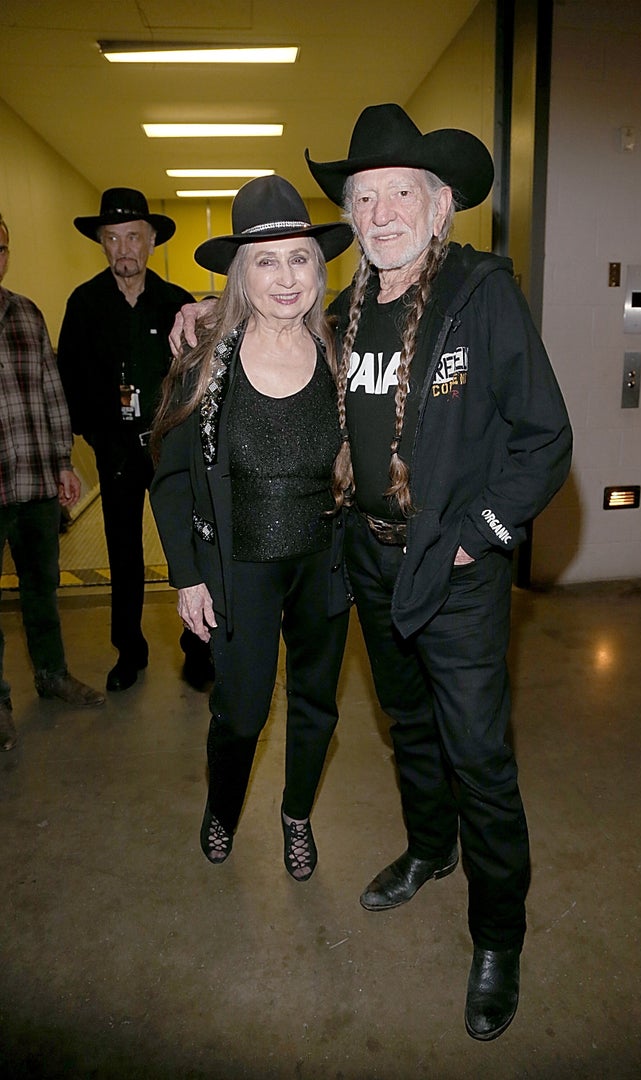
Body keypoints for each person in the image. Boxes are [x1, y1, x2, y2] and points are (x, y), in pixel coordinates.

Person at [302, 103, 572, 1039]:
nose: (378, 213)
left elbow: (544, 437)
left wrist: (479, 534)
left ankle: (500, 934)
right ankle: (428, 850)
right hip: (367, 559)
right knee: (407, 726)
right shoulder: (342, 312)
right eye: (362, 196)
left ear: (438, 201)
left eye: (397, 194)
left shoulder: (481, 294)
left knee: (479, 756)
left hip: (453, 569)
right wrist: (194, 330)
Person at [150, 176, 354, 879]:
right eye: (265, 261)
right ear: (241, 274)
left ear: (318, 269)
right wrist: (185, 577)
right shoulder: (205, 362)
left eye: (299, 258)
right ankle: (222, 805)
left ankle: (296, 813)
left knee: (315, 708)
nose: (286, 277)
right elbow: (172, 478)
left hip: (324, 564)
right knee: (238, 715)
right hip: (238, 570)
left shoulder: (341, 353)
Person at [56, 188, 212, 692]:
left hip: (170, 447)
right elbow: (68, 378)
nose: (124, 248)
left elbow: (203, 375)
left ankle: (198, 647)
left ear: (150, 243)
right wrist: (97, 437)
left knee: (188, 549)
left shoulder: (176, 304)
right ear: (102, 243)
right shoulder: (84, 305)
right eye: (113, 238)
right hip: (117, 450)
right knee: (123, 553)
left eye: (134, 238)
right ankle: (129, 651)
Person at [0, 212, 105, 752]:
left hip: (35, 483)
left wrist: (64, 462)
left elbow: (50, 390)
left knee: (42, 590)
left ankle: (51, 674)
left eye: (0, 247)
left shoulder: (25, 314)